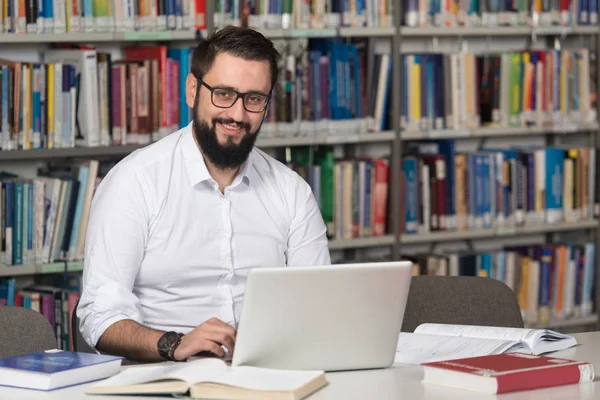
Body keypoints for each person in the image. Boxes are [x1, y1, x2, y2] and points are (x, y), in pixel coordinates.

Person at [77, 26, 331, 363]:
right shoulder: (134, 182)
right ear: (192, 90)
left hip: (268, 374)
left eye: (254, 99)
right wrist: (174, 343)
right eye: (224, 94)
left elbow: (318, 306)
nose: (238, 115)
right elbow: (99, 316)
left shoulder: (292, 191)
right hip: (163, 376)